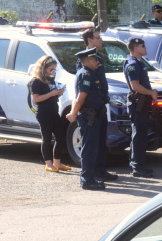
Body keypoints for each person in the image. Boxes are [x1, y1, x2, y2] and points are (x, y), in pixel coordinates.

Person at [78, 28, 116, 183]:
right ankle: (90, 175)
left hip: (100, 105)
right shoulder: (84, 59)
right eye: (97, 37)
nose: (101, 40)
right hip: (90, 108)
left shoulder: (97, 57)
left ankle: (100, 170)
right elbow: (83, 88)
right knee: (91, 144)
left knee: (101, 141)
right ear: (90, 40)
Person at [67, 48, 106, 190]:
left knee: (93, 148)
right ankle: (87, 180)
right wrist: (73, 113)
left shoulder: (91, 73)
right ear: (88, 61)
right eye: (95, 59)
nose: (98, 61)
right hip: (89, 117)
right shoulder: (85, 74)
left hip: (95, 115)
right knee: (89, 149)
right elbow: (80, 97)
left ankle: (91, 177)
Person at [28, 55, 70, 173]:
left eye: (54, 69)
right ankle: (48, 164)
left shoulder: (51, 79)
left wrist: (58, 93)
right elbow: (36, 99)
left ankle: (57, 162)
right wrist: (52, 94)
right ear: (43, 68)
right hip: (43, 113)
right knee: (46, 138)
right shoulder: (36, 81)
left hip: (54, 111)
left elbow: (52, 93)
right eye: (51, 69)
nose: (53, 72)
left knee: (60, 137)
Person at [123, 38, 158, 178]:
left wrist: (150, 89)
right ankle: (137, 167)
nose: (146, 48)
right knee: (138, 135)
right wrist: (150, 92)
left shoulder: (138, 62)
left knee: (140, 135)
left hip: (142, 103)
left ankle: (137, 165)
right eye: (143, 46)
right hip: (138, 104)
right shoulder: (132, 63)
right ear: (136, 48)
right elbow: (135, 86)